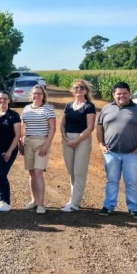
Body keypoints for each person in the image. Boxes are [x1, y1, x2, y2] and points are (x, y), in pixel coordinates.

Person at [96, 82, 137, 219]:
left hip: (132, 153)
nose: (122, 96)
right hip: (111, 152)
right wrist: (101, 144)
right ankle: (108, 206)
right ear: (113, 95)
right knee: (111, 181)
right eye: (119, 93)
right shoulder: (107, 108)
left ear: (129, 94)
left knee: (131, 182)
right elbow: (99, 127)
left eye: (125, 93)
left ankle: (134, 208)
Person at [59, 78, 96, 212]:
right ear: (72, 91)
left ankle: (75, 203)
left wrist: (76, 141)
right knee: (71, 172)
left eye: (82, 88)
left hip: (82, 140)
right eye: (76, 88)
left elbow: (90, 127)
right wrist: (65, 137)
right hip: (67, 139)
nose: (79, 90)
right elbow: (62, 124)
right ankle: (73, 199)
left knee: (79, 172)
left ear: (86, 91)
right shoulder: (68, 106)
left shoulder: (89, 106)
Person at [20, 85, 56, 214]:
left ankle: (41, 204)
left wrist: (46, 144)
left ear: (43, 95)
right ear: (31, 95)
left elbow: (52, 128)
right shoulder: (26, 109)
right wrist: (21, 141)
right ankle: (34, 200)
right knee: (31, 172)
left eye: (40, 93)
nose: (37, 95)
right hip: (28, 142)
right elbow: (22, 126)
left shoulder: (48, 109)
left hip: (42, 142)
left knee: (38, 172)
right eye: (35, 93)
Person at [0, 90, 21, 212]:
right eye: (0, 98)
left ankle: (6, 201)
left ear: (9, 100)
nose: (3, 100)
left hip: (10, 149)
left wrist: (10, 151)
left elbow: (17, 135)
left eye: (5, 98)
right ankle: (1, 200)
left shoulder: (14, 115)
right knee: (0, 174)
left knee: (2, 173)